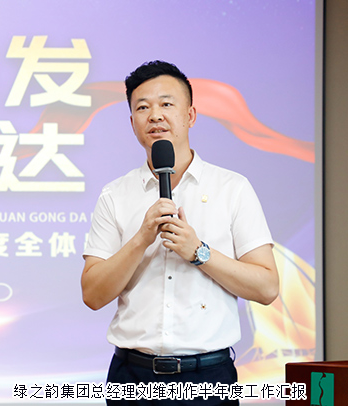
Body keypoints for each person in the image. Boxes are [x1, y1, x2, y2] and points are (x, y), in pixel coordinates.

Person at [81, 60, 279, 405]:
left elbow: (267, 287)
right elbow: (93, 295)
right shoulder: (115, 195)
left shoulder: (232, 188)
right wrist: (141, 239)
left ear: (190, 115)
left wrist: (199, 252)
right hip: (131, 377)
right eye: (143, 107)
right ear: (132, 122)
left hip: (208, 379)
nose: (155, 115)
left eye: (166, 104)